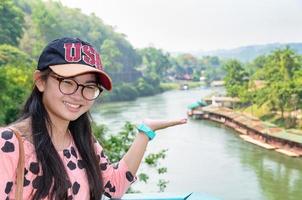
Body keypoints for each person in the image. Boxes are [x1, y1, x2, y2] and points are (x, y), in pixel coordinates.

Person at [0, 37, 187, 200]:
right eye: (67, 82)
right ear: (40, 81)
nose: (78, 95)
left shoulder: (82, 141)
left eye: (89, 87)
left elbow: (116, 186)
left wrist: (145, 132)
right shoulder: (9, 144)